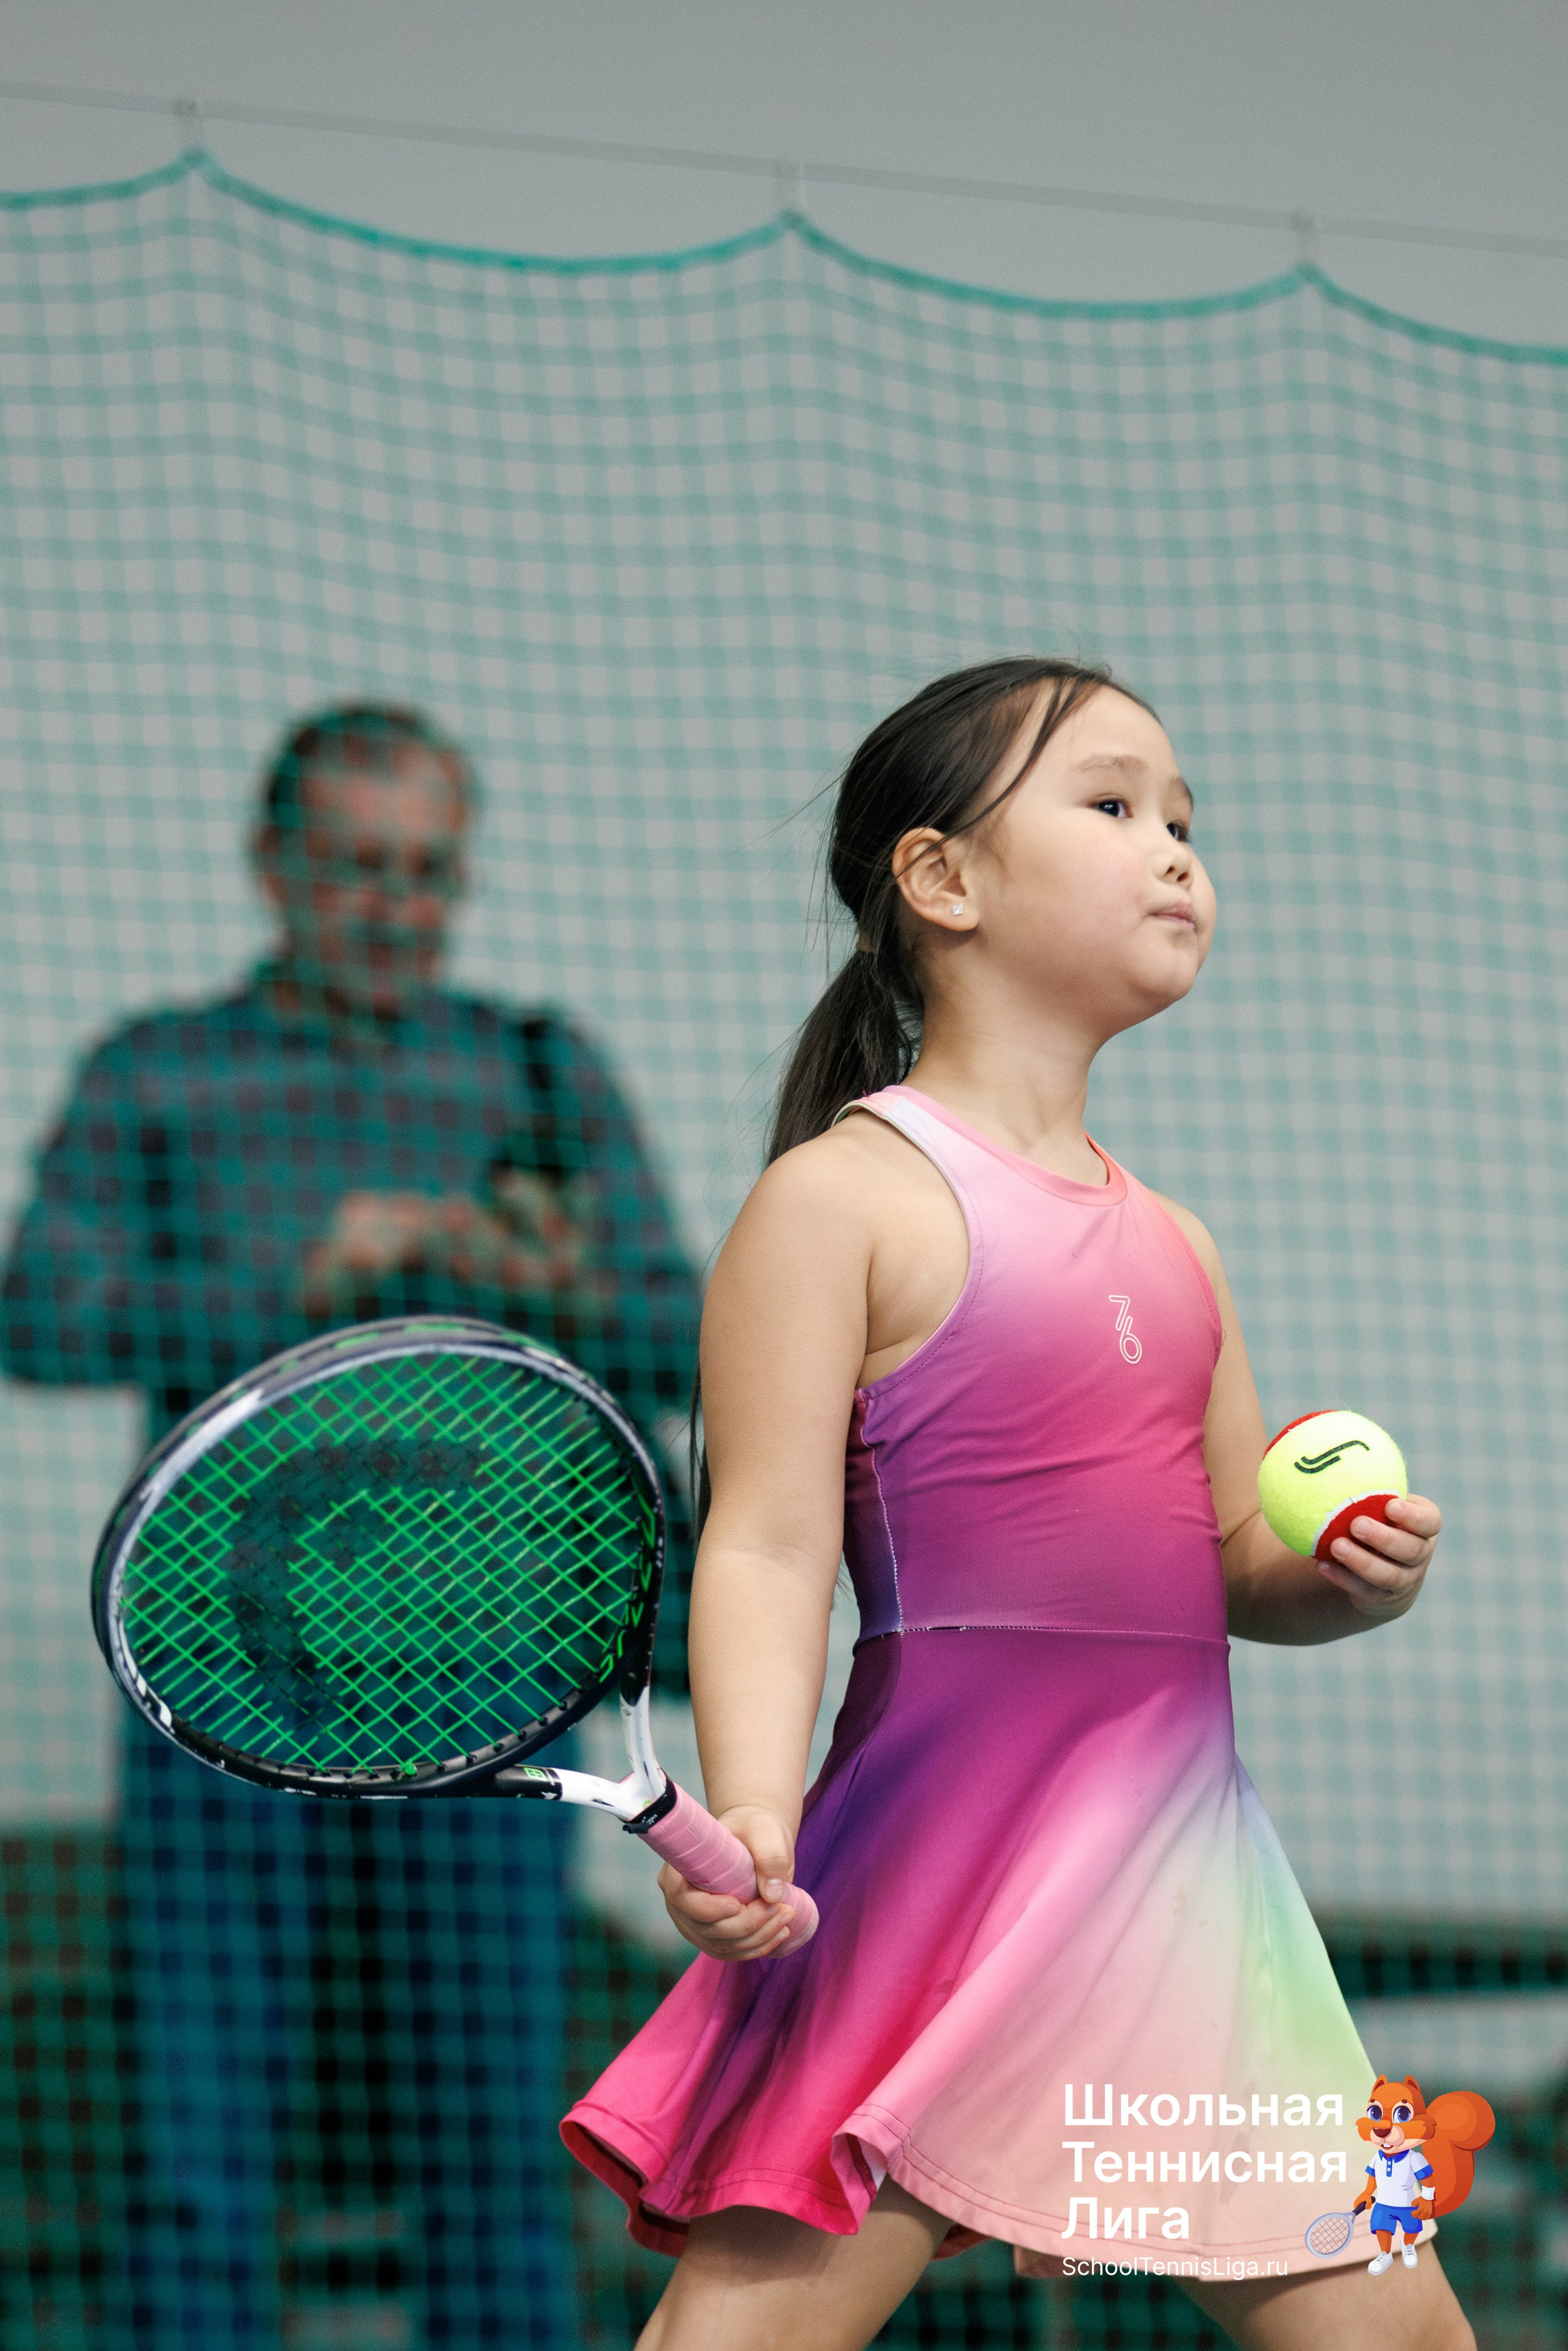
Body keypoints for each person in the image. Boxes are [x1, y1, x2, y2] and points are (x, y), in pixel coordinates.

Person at [562, 660, 1476, 2351]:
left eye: (1189, 820)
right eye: (1118, 806)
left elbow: (1227, 1563)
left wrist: (1341, 1579)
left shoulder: (1180, 1244)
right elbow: (765, 1545)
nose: (1178, 850)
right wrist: (755, 1812)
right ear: (944, 880)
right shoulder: (836, 1199)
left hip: (1196, 1878)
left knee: (1403, 2329)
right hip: (941, 1868)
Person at [1, 703, 700, 2349]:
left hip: (495, 1685)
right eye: (359, 869)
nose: (396, 906)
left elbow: (683, 1324)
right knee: (196, 2144)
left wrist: (560, 1290)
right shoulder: (159, 1070)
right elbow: (35, 1314)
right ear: (273, 867)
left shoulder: (536, 1065)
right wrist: (293, 1286)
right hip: (225, 1689)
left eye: (429, 875)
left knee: (502, 2141)